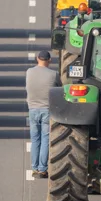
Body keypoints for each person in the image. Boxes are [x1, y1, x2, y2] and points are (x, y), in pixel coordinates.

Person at [25, 50, 58, 179]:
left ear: (37, 59)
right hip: (46, 110)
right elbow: (59, 89)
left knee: (35, 139)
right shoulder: (54, 74)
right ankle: (42, 169)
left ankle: (34, 167)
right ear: (49, 60)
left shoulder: (29, 72)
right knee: (45, 139)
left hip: (33, 109)